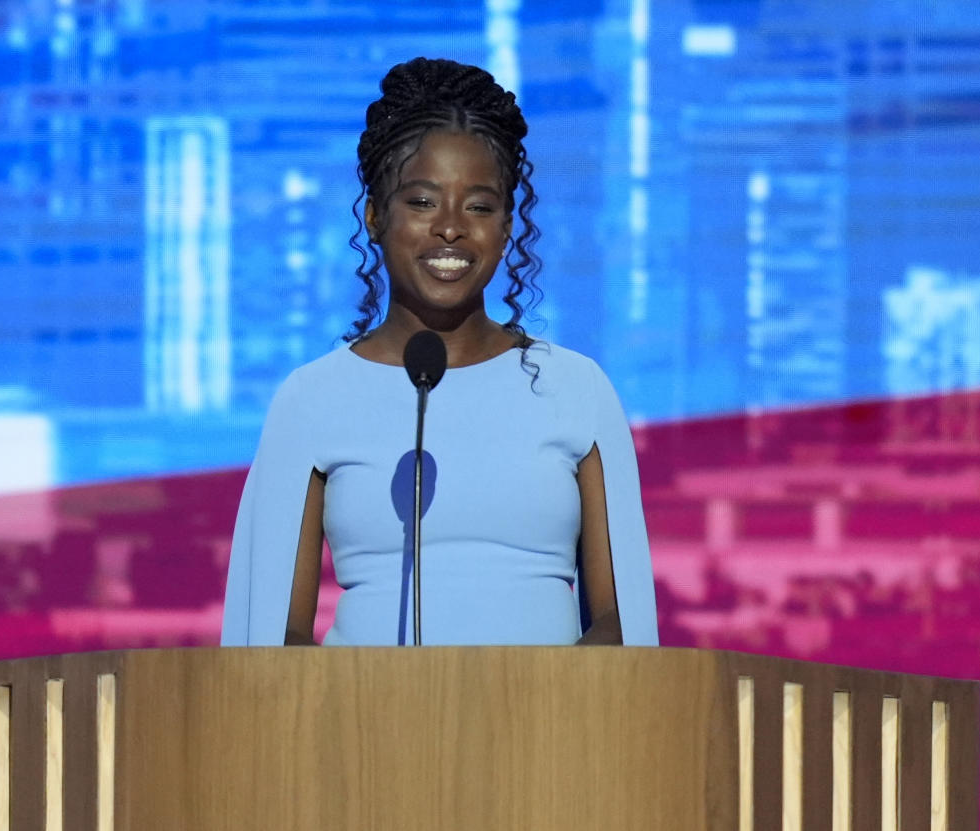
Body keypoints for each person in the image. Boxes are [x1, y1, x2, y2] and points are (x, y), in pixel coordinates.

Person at [221, 57, 658, 647]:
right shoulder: (312, 398)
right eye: (423, 202)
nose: (451, 228)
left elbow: (621, 622)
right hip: (358, 730)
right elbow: (271, 634)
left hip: (549, 729)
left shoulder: (576, 389)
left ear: (507, 228)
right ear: (375, 216)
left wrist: (553, 717)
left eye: (478, 206)